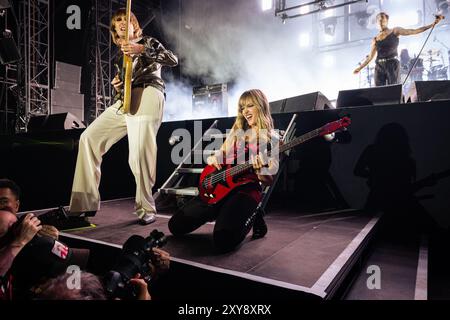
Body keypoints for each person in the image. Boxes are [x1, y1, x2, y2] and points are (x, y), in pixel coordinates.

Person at [69, 8, 178, 225]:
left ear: (133, 24)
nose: (120, 23)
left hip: (148, 92)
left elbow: (171, 59)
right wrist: (117, 86)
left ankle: (146, 207)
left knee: (139, 154)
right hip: (125, 100)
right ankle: (84, 204)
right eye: (116, 21)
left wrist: (142, 49)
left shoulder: (147, 41)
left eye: (124, 19)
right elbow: (123, 86)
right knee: (89, 138)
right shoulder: (120, 57)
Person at [168, 89, 279, 252]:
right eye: (242, 108)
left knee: (223, 240)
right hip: (222, 187)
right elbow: (221, 153)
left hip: (245, 191)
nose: (245, 111)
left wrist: (260, 168)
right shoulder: (237, 131)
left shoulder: (272, 140)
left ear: (261, 107)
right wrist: (213, 158)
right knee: (175, 226)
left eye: (250, 106)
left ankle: (254, 212)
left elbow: (269, 179)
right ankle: (221, 208)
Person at [353, 12, 444, 86]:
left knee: (393, 89)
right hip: (379, 66)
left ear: (387, 21)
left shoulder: (395, 31)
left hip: (392, 64)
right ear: (377, 23)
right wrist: (360, 68)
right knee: (378, 91)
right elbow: (370, 57)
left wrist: (432, 24)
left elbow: (413, 31)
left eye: (383, 20)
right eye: (379, 21)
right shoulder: (375, 39)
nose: (381, 22)